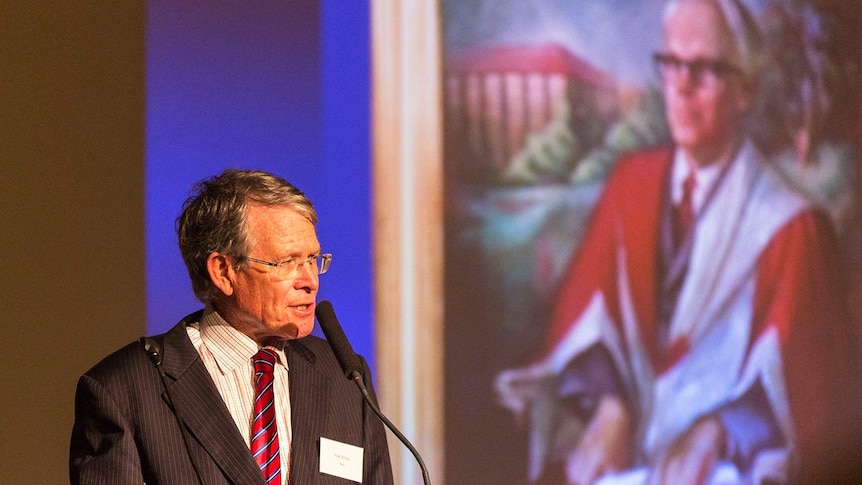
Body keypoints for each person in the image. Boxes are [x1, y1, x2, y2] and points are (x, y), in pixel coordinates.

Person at [495, 1, 860, 484]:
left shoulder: (793, 228)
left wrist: (720, 429)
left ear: (745, 90)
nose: (680, 86)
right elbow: (586, 322)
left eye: (704, 69)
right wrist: (610, 405)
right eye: (671, 65)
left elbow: (809, 392)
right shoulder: (631, 188)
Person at [70, 169, 394, 484]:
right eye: (287, 263)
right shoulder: (123, 390)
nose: (309, 281)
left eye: (312, 259)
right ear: (223, 271)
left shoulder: (346, 376)